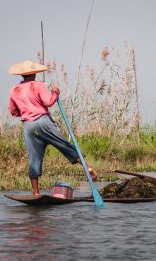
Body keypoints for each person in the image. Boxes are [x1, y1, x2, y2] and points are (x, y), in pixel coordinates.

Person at [8, 60, 97, 196]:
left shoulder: (14, 90)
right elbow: (48, 102)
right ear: (34, 73)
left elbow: (13, 112)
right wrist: (55, 92)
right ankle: (88, 169)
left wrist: (26, 110)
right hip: (43, 122)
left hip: (28, 126)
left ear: (22, 75)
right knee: (64, 145)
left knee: (33, 158)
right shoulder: (38, 85)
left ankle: (35, 193)